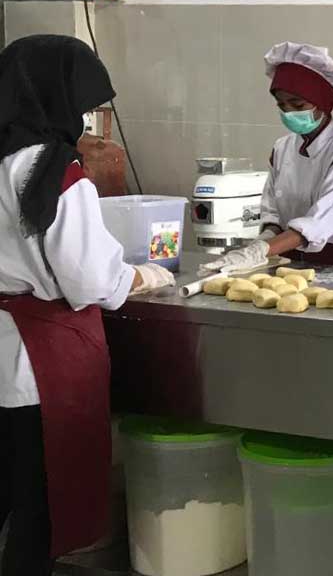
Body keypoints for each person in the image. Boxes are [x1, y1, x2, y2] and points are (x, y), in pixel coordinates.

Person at [0, 35, 174, 574]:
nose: (85, 121)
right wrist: (142, 275)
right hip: (40, 368)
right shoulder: (55, 172)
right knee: (39, 513)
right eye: (82, 107)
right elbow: (90, 279)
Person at [202, 42, 333, 272]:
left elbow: (320, 223)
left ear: (322, 103)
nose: (289, 112)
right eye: (282, 105)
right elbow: (273, 213)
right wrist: (260, 244)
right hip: (287, 258)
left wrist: (260, 251)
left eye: (297, 104)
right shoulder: (282, 148)